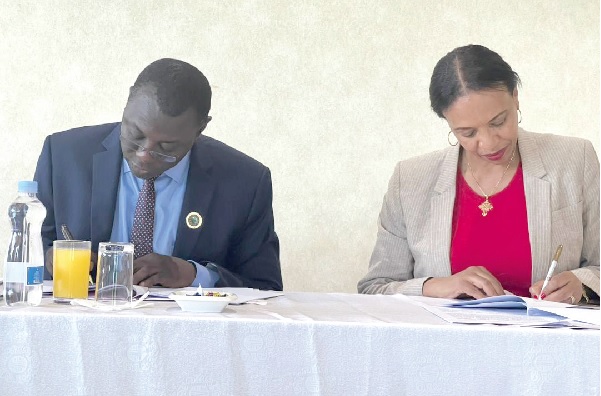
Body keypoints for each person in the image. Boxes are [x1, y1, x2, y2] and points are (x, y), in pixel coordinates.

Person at [358, 45, 599, 304]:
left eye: (498, 122)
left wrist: (583, 284)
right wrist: (434, 286)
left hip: (548, 341)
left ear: (515, 97)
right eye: (467, 133)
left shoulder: (575, 158)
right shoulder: (410, 180)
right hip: (444, 343)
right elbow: (375, 288)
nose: (488, 143)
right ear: (448, 122)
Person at [34, 58, 282, 290]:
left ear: (200, 128)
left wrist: (193, 275)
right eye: (135, 134)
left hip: (190, 332)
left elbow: (264, 286)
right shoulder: (64, 156)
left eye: (166, 147)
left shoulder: (245, 182)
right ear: (128, 99)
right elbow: (31, 245)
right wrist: (50, 258)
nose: (145, 155)